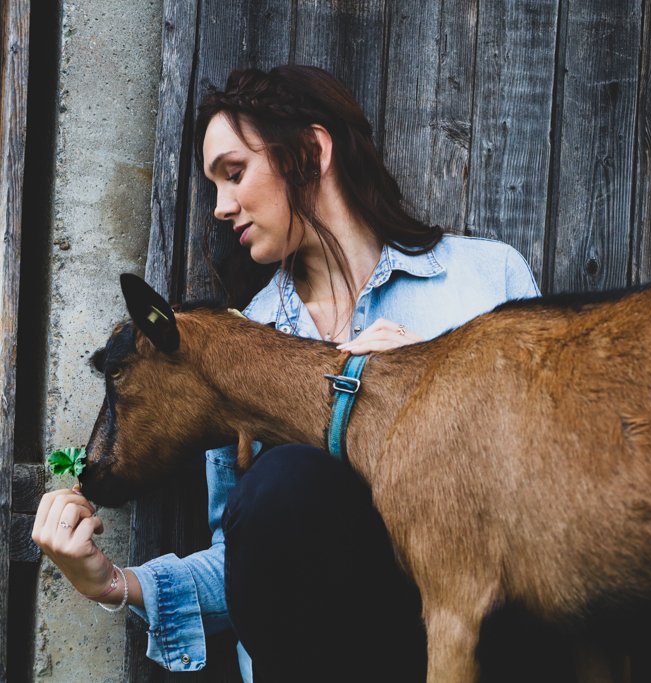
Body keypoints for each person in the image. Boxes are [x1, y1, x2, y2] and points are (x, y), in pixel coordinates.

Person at [33, 64, 540, 681]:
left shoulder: (486, 280)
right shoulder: (237, 348)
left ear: (310, 150)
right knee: (284, 482)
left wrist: (419, 379)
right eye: (214, 185)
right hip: (331, 652)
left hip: (478, 628)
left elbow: (540, 489)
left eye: (234, 173)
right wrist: (111, 582)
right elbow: (243, 565)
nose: (220, 207)